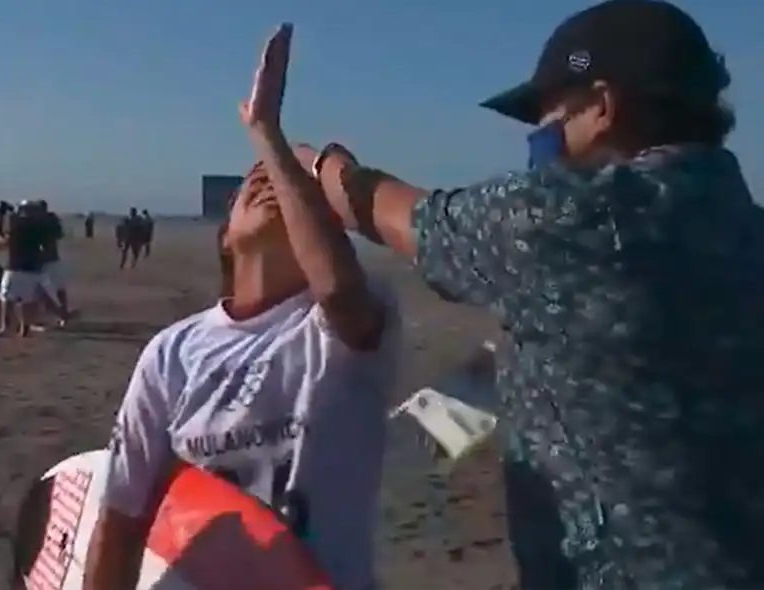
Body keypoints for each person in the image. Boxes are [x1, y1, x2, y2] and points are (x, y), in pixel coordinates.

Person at [258, 3, 764, 587]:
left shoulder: (572, 221)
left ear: (602, 107)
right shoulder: (745, 234)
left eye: (551, 114)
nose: (539, 136)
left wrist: (313, 163)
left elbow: (389, 214)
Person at [82, 143, 402, 587]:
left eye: (291, 188)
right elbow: (120, 515)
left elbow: (339, 291)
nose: (267, 182)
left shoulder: (347, 324)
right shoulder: (172, 351)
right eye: (250, 186)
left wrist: (270, 138)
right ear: (226, 238)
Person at [0, 200, 46, 337]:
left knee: (6, 297)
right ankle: (24, 327)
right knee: (26, 300)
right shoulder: (38, 226)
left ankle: (5, 327)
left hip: (15, 266)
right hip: (32, 267)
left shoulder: (17, 225)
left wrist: (1, 215)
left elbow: (2, 238)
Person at [36, 199, 69, 321]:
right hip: (52, 258)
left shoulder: (38, 221)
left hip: (43, 260)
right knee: (58, 288)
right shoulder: (51, 219)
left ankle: (60, 313)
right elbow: (60, 235)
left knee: (40, 291)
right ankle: (62, 312)